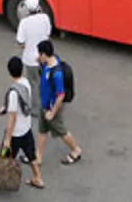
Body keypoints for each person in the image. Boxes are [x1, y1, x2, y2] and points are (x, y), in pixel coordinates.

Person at [36, 39, 83, 168]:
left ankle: (76, 150)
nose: (38, 56)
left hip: (52, 108)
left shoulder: (56, 74)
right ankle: (38, 157)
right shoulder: (48, 62)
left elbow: (60, 95)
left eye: (39, 54)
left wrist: (52, 113)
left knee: (61, 131)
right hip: (44, 105)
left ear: (44, 54)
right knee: (42, 130)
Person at [0, 56, 44, 190]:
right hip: (27, 127)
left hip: (16, 133)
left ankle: (4, 178)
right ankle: (38, 179)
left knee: (6, 156)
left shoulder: (13, 93)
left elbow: (13, 117)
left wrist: (8, 138)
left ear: (9, 72)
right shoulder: (26, 83)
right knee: (31, 155)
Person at [15, 0, 53, 69]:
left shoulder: (24, 23)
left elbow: (20, 42)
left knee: (32, 80)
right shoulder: (45, 18)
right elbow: (48, 36)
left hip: (29, 61)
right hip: (44, 58)